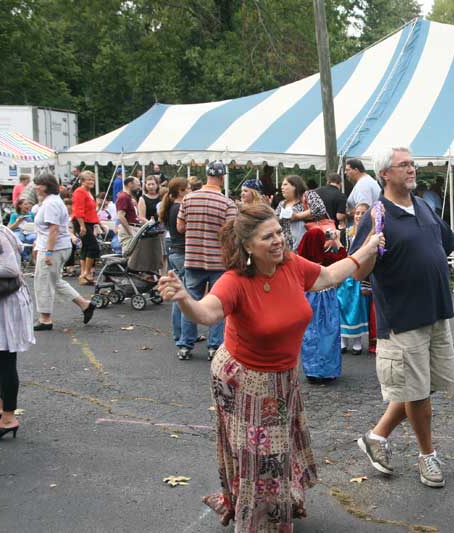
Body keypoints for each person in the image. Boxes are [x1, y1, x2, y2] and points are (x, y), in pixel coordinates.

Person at [157, 203, 384, 530]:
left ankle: (276, 502)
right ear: (248, 246)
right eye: (268, 237)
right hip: (243, 379)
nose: (279, 240)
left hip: (282, 375)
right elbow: (207, 314)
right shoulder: (235, 281)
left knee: (276, 451)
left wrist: (366, 248)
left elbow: (326, 276)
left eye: (279, 231)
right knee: (259, 459)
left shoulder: (290, 264)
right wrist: (184, 299)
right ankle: (259, 521)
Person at [351, 146, 454, 488]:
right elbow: (358, 272)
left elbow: (453, 240)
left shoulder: (423, 207)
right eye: (404, 165)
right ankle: (427, 455)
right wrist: (371, 244)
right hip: (402, 317)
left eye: (413, 164)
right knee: (418, 395)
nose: (411, 169)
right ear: (385, 173)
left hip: (435, 313)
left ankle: (376, 436)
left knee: (421, 386)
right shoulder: (378, 215)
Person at [175, 162, 237, 361]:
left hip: (193, 258)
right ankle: (214, 346)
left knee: (190, 302)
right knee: (218, 304)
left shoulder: (188, 199)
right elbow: (231, 234)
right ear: (222, 177)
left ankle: (185, 344)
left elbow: (180, 227)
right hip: (218, 261)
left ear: (207, 175)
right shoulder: (227, 203)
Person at [32, 174, 95, 331]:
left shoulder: (51, 203)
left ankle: (45, 319)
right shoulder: (51, 201)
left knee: (44, 282)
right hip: (56, 247)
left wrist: (48, 252)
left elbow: (54, 229)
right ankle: (85, 305)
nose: (36, 187)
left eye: (38, 184)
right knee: (55, 280)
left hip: (54, 248)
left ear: (46, 186)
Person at [0, 219, 35, 441]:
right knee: (3, 356)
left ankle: (9, 418)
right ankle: (2, 408)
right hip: (3, 301)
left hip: (8, 303)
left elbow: (10, 268)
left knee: (6, 358)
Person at [298, 227, 347, 382]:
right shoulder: (327, 259)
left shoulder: (300, 262)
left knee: (309, 334)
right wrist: (337, 240)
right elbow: (344, 257)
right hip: (327, 299)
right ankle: (327, 369)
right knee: (328, 333)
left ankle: (312, 369)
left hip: (307, 298)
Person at [338, 203, 371, 355]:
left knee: (357, 308)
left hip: (359, 275)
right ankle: (343, 340)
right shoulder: (346, 233)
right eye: (357, 213)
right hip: (345, 275)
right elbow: (340, 252)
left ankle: (357, 342)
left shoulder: (369, 235)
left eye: (363, 213)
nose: (359, 216)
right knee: (342, 306)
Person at [159, 177, 189, 342]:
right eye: (188, 189)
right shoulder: (180, 208)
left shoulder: (170, 208)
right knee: (183, 296)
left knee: (179, 295)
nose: (190, 191)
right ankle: (184, 334)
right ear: (181, 191)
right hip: (182, 253)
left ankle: (180, 333)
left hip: (175, 252)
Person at [71, 170, 101, 285]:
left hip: (89, 222)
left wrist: (100, 224)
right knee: (94, 247)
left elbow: (92, 211)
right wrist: (82, 226)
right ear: (82, 181)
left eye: (92, 179)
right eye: (89, 179)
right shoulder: (80, 192)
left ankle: (83, 274)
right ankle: (87, 273)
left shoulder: (89, 193)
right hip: (81, 222)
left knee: (86, 248)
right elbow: (78, 210)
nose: (91, 181)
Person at [274, 175, 307, 252]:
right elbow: (274, 220)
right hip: (285, 246)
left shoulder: (303, 202)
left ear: (295, 186)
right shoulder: (282, 204)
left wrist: (298, 216)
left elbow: (316, 212)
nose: (282, 187)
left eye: (285, 184)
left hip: (301, 245)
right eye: (282, 185)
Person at [115, 177, 143, 250]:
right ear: (130, 184)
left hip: (134, 228)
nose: (139, 188)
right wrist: (130, 232)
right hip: (129, 230)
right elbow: (120, 216)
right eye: (138, 185)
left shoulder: (130, 198)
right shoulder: (123, 197)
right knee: (131, 256)